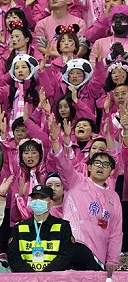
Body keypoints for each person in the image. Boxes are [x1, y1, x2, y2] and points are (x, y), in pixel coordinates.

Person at [49, 117, 122, 272]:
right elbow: (63, 164)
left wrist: (112, 260)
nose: (101, 167)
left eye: (106, 164)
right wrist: (56, 141)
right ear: (89, 167)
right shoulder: (76, 181)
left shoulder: (114, 197)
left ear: (111, 172)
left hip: (98, 256)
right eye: (97, 163)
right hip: (74, 246)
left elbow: (115, 232)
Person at [7, 185, 75, 272]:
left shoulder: (63, 227)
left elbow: (66, 255)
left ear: (50, 203)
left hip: (54, 278)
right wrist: (32, 275)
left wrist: (45, 275)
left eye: (42, 198)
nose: (37, 201)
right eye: (34, 198)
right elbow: (13, 257)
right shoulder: (19, 228)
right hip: (26, 278)